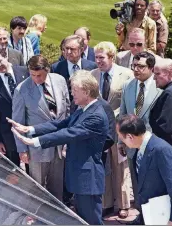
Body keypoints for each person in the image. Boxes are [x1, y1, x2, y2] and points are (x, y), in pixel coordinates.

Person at [8, 70, 109, 225]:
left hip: (88, 179)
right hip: (80, 176)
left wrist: (35, 142)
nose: (72, 94)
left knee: (92, 220)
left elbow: (68, 133)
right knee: (82, 218)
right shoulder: (84, 109)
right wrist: (31, 129)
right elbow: (60, 124)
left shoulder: (95, 116)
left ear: (87, 92)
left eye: (75, 90)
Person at [9, 55, 70, 201]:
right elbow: (18, 122)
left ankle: (56, 214)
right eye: (32, 75)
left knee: (57, 185)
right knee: (38, 187)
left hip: (59, 143)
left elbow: (67, 109)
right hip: (37, 147)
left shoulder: (60, 80)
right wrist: (22, 150)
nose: (36, 79)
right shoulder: (21, 90)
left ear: (47, 70)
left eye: (39, 75)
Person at [116, 114, 172, 225]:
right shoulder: (139, 148)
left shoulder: (162, 150)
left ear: (130, 137)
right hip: (150, 212)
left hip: (163, 215)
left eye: (121, 138)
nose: (121, 141)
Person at [91, 41, 133, 218]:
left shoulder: (127, 75)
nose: (98, 61)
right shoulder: (92, 75)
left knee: (120, 166)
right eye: (96, 57)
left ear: (112, 57)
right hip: (101, 131)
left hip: (119, 129)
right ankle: (106, 203)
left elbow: (129, 103)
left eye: (102, 58)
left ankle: (123, 204)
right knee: (104, 166)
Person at [118, 51, 162, 210]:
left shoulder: (160, 88)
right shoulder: (128, 86)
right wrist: (121, 141)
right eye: (134, 66)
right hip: (131, 145)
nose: (136, 69)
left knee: (152, 181)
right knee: (136, 182)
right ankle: (140, 212)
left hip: (151, 145)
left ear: (151, 68)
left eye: (140, 66)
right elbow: (123, 115)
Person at [0, 45, 29, 166]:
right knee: (13, 170)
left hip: (29, 128)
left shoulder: (25, 71)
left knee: (33, 169)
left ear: (6, 57)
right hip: (8, 135)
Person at [52, 35, 97, 113]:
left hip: (86, 111)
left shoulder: (92, 67)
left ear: (81, 49)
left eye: (72, 49)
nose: (68, 52)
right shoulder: (56, 68)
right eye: (66, 48)